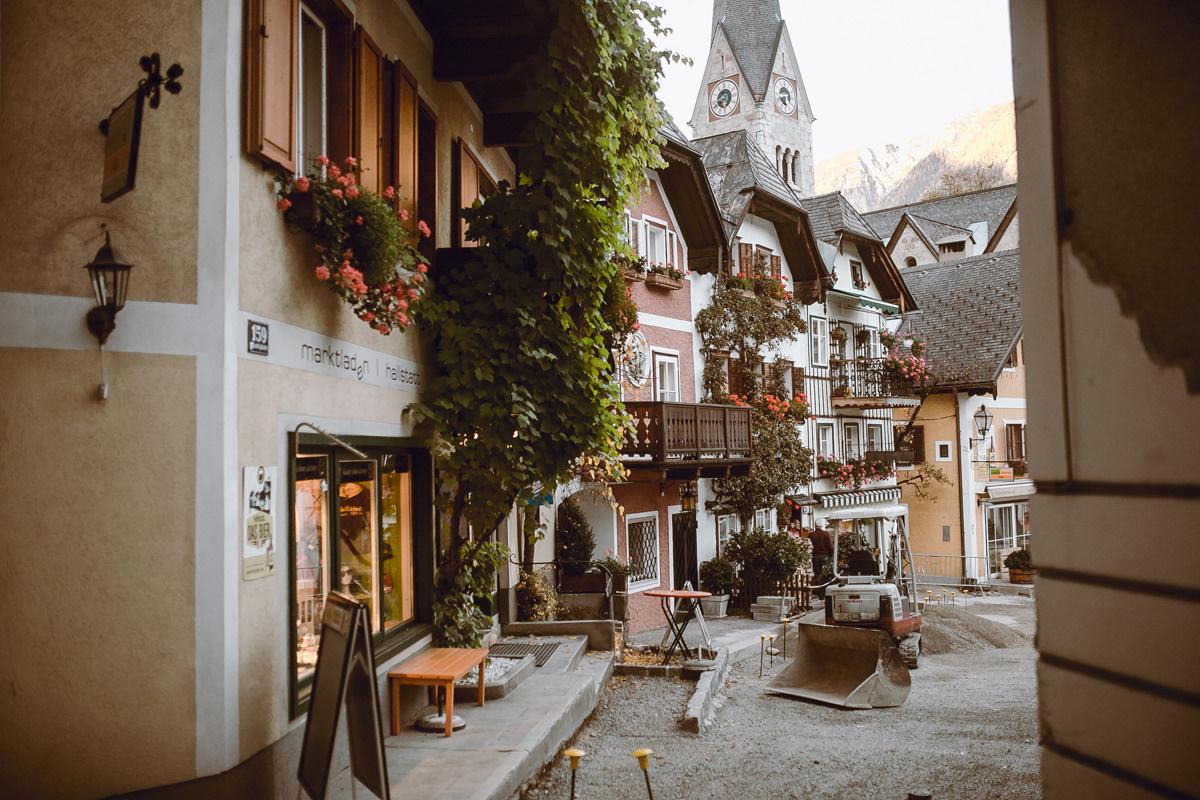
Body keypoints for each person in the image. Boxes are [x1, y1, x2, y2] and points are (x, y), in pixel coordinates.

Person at [808, 521, 834, 594]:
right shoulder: (826, 534)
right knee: (826, 574)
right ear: (822, 525)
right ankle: (826, 591)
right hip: (825, 556)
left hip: (815, 556)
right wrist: (830, 555)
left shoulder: (811, 535)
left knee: (818, 574)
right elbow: (830, 546)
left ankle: (820, 592)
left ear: (814, 525)